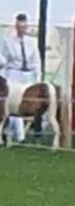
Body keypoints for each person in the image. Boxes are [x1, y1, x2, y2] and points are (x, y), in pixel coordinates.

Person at [2, 12, 40, 143]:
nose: (21, 30)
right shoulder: (8, 41)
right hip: (14, 73)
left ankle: (23, 133)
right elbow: (4, 59)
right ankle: (18, 135)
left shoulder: (32, 42)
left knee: (27, 102)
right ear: (15, 27)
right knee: (14, 103)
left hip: (27, 74)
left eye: (24, 27)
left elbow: (36, 61)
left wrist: (38, 77)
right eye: (19, 27)